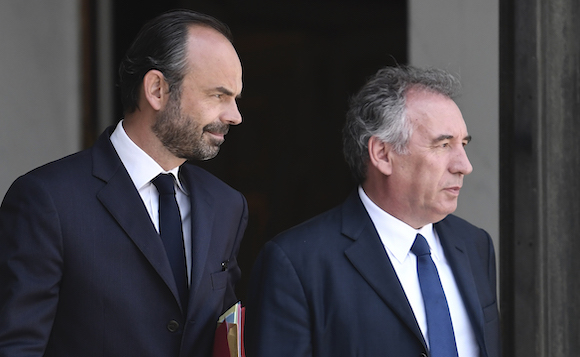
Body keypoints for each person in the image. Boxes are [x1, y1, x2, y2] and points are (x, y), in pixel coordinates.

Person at [0, 9, 247, 357]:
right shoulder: (47, 200)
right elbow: (18, 346)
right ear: (157, 90)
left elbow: (225, 339)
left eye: (235, 98)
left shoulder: (227, 205)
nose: (234, 115)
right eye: (218, 95)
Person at [245, 66, 500, 357]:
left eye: (463, 144)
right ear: (382, 154)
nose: (464, 165)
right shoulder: (297, 263)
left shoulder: (475, 245)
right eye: (443, 145)